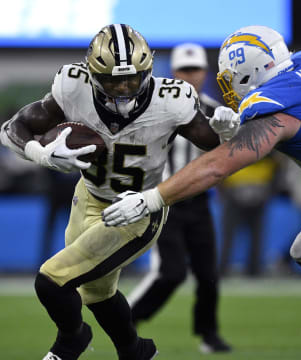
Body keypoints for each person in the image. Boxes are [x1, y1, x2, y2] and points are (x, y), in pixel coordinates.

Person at [0, 24, 238, 360]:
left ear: (149, 70)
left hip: (138, 209)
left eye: (132, 78)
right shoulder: (72, 86)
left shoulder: (172, 100)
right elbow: (12, 129)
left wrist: (229, 134)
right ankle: (136, 352)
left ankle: (71, 340)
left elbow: (215, 147)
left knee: (52, 280)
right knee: (97, 293)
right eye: (113, 80)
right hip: (89, 195)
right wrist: (42, 153)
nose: (124, 88)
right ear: (92, 74)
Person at [102, 25, 301, 331]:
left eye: (230, 79)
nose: (228, 88)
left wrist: (152, 198)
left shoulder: (277, 109)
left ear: (249, 73)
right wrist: (232, 130)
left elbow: (219, 166)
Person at [127, 43, 231, 353]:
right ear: (173, 73)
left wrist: (230, 131)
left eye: (195, 69)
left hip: (199, 202)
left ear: (205, 73)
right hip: (164, 199)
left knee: (209, 274)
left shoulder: (215, 110)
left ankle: (208, 334)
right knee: (171, 272)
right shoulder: (155, 108)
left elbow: (229, 154)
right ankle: (126, 319)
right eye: (184, 70)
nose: (189, 76)